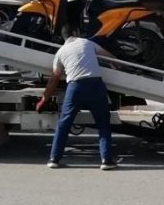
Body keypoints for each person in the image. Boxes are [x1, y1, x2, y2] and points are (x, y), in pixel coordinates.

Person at [36, 24, 118, 170]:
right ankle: (106, 160)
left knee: (64, 124)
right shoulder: (86, 42)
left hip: (75, 88)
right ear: (75, 32)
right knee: (103, 123)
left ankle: (54, 158)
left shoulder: (60, 52)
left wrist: (44, 99)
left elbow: (54, 79)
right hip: (95, 86)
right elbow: (108, 55)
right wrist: (115, 65)